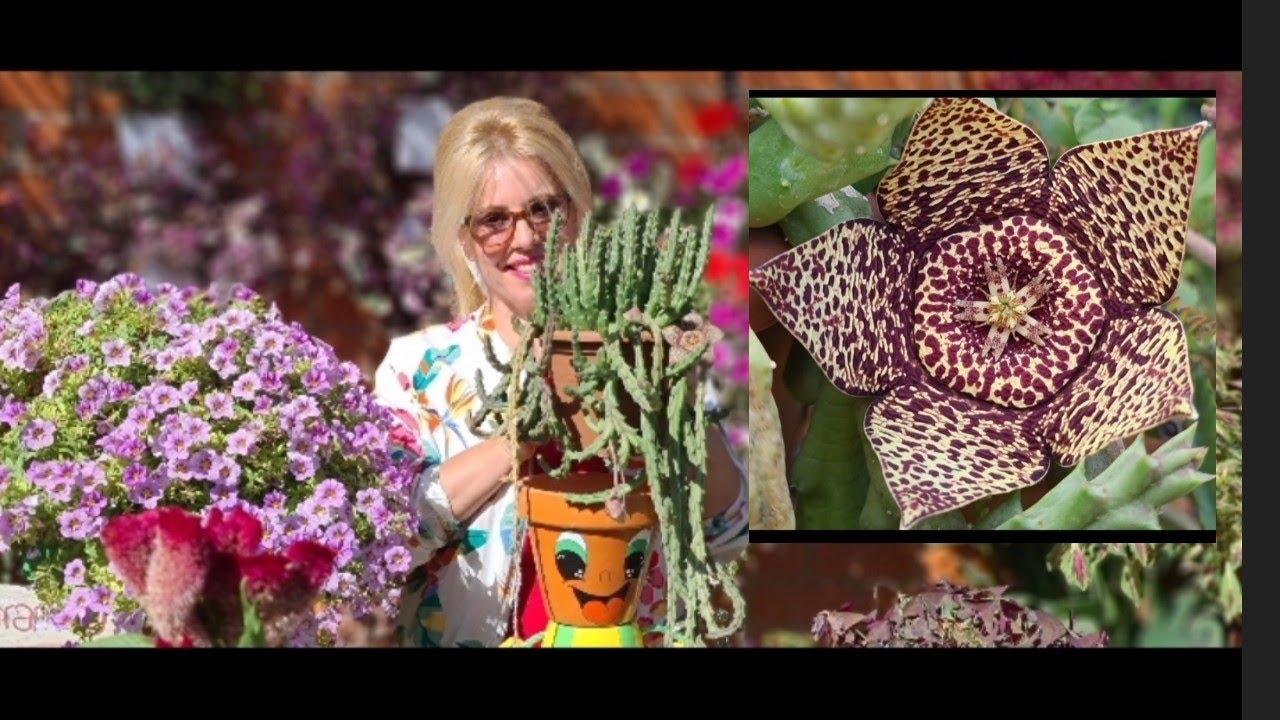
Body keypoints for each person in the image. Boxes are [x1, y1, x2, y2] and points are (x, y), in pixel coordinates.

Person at [373, 97, 749, 648]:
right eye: (494, 221)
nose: (525, 239)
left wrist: (680, 399)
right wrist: (529, 428)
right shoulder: (421, 369)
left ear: (577, 215)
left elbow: (726, 533)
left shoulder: (642, 352)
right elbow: (390, 536)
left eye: (544, 209)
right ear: (462, 237)